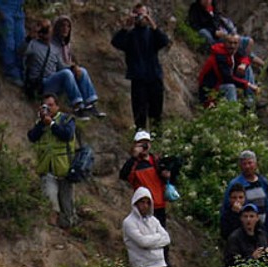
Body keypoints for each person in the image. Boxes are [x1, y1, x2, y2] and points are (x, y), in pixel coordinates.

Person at [109, 3, 168, 131]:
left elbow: (164, 41)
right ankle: (140, 143)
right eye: (138, 14)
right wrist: (126, 26)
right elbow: (116, 42)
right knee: (139, 116)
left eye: (143, 14)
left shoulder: (152, 34)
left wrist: (152, 24)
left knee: (156, 116)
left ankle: (157, 144)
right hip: (138, 79)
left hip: (154, 77)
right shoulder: (130, 35)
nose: (141, 18)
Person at [28, 16, 100, 116]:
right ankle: (77, 106)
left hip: (54, 80)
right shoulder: (33, 44)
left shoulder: (58, 47)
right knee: (67, 73)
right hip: (40, 83)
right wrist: (29, 37)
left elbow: (61, 65)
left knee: (81, 71)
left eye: (68, 26)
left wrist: (74, 67)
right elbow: (21, 54)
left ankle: (90, 104)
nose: (65, 29)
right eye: (62, 26)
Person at [27, 93, 78, 229]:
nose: (48, 108)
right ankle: (53, 227)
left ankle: (67, 226)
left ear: (57, 106)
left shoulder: (67, 120)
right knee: (50, 201)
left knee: (67, 207)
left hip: (65, 169)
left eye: (50, 105)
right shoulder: (40, 123)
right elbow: (32, 137)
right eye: (45, 106)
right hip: (47, 168)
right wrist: (42, 124)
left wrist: (52, 124)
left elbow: (67, 135)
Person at [123, 186, 171, 267]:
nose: (145, 206)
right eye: (142, 202)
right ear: (136, 203)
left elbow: (167, 238)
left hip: (161, 265)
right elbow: (143, 242)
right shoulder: (129, 222)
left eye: (147, 203)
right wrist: (158, 239)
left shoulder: (154, 221)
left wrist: (151, 240)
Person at [222, 201, 268, 267]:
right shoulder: (234, 238)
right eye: (245, 216)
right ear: (241, 218)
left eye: (252, 216)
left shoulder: (262, 235)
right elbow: (231, 266)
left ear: (257, 218)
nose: (249, 220)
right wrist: (251, 258)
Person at [197, 31, 256, 105]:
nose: (232, 46)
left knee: (247, 68)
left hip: (221, 83)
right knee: (230, 87)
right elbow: (227, 78)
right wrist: (247, 84)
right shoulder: (220, 56)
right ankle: (233, 111)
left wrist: (243, 64)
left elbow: (244, 57)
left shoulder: (233, 51)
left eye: (235, 43)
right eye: (230, 43)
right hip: (210, 90)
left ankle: (250, 100)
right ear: (224, 43)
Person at [120, 130, 168, 221]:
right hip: (144, 206)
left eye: (147, 143)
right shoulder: (134, 163)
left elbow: (165, 178)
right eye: (141, 143)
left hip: (160, 204)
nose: (145, 146)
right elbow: (123, 175)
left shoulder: (156, 160)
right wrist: (134, 156)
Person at [223, 149, 268, 218]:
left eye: (250, 163)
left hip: (263, 226)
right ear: (240, 166)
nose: (247, 166)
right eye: (244, 164)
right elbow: (226, 208)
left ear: (255, 164)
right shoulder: (235, 184)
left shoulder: (263, 182)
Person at [0, 0, 26, 83]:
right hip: (4, 7)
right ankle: (11, 73)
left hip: (18, 9)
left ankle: (21, 72)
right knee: (8, 41)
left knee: (20, 40)